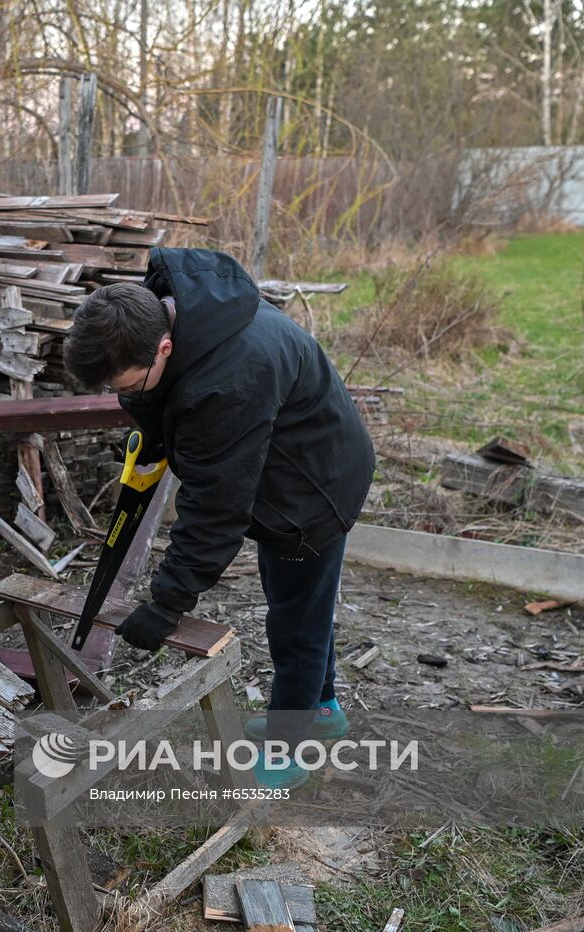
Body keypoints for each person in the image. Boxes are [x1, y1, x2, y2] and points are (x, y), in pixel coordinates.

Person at [64, 247, 375, 788]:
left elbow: (215, 510)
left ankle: (293, 741)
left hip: (312, 488)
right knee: (301, 600)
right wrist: (158, 426)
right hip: (287, 457)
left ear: (163, 345)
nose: (124, 397)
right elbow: (180, 402)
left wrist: (166, 605)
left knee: (297, 616)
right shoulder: (181, 311)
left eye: (128, 386)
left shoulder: (228, 382)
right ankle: (323, 708)